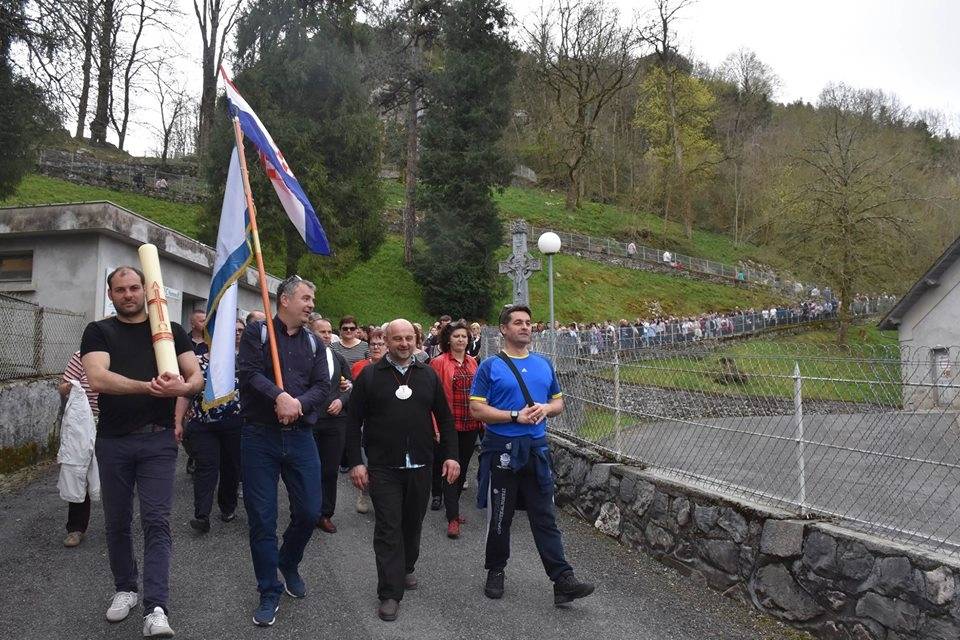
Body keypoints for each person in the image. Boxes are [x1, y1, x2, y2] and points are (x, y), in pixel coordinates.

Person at [80, 265, 202, 638]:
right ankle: (126, 588)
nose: (129, 295)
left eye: (135, 287)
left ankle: (157, 607)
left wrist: (180, 390)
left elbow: (195, 377)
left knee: (156, 521)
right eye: (121, 290)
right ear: (111, 294)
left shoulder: (170, 332)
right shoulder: (99, 331)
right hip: (113, 440)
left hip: (158, 440)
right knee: (116, 520)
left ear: (145, 291)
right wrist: (149, 388)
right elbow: (97, 377)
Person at [469, 304, 594, 608]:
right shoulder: (490, 366)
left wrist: (545, 409)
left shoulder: (543, 364)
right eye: (518, 323)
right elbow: (476, 409)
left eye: (528, 323)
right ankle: (496, 570)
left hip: (537, 452)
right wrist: (515, 415)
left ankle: (563, 580)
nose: (525, 327)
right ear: (504, 329)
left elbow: (558, 402)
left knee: (545, 517)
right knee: (501, 517)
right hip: (503, 452)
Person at [345, 319, 460, 622]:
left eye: (409, 338)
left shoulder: (428, 376)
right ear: (386, 340)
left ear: (416, 339)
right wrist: (356, 461)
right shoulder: (370, 376)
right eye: (397, 339)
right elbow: (352, 422)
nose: (404, 344)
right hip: (384, 467)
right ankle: (389, 593)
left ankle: (407, 566)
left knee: (412, 524)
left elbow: (445, 421)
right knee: (387, 528)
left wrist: (451, 456)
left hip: (421, 465)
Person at [237, 275, 330, 627]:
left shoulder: (313, 343)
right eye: (306, 298)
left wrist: (297, 404)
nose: (310, 304)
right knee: (262, 518)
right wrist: (279, 396)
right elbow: (247, 374)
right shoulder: (257, 334)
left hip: (301, 436)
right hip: (259, 437)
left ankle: (288, 560)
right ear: (285, 300)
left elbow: (323, 385)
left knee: (309, 510)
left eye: (312, 299)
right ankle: (268, 590)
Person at [174, 319, 244, 534]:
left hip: (234, 425)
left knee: (231, 468)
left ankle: (227, 506)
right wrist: (177, 421)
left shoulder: (241, 363)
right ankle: (201, 515)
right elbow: (186, 393)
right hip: (203, 426)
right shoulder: (196, 363)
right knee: (206, 468)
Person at [430, 321, 483, 538]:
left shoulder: (473, 362)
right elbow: (432, 398)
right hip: (449, 424)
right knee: (451, 468)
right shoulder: (438, 362)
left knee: (463, 469)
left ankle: (453, 507)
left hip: (470, 422)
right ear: (448, 339)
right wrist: (435, 426)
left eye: (464, 336)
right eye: (456, 336)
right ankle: (453, 518)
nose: (461, 340)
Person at [308, 316, 352, 533]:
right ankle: (306, 510)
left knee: (329, 469)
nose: (326, 336)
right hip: (309, 421)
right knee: (307, 469)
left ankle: (325, 513)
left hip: (335, 422)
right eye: (321, 332)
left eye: (328, 332)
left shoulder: (338, 357)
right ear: (310, 332)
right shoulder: (301, 357)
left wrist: (341, 400)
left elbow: (350, 387)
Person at [58, 350, 99, 548]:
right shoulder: (81, 355)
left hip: (115, 423)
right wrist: (72, 386)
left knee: (118, 475)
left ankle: (120, 526)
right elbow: (63, 388)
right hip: (83, 423)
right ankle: (75, 528)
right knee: (78, 472)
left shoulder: (120, 352)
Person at [349, 328, 386, 515]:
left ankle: (381, 496)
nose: (377, 347)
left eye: (380, 344)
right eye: (373, 344)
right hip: (365, 418)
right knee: (367, 458)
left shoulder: (394, 368)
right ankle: (364, 493)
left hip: (386, 422)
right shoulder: (359, 367)